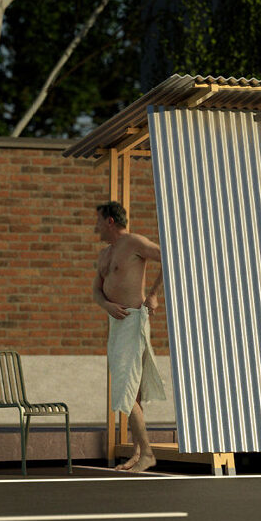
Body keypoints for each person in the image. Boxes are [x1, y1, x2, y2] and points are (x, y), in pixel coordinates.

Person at [92, 201, 166, 472]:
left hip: (133, 322)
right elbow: (96, 291)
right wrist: (107, 305)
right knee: (131, 391)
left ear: (110, 221)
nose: (95, 225)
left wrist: (154, 294)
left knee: (124, 388)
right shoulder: (104, 255)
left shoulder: (135, 243)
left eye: (99, 220)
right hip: (116, 325)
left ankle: (148, 453)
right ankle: (138, 453)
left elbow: (169, 257)